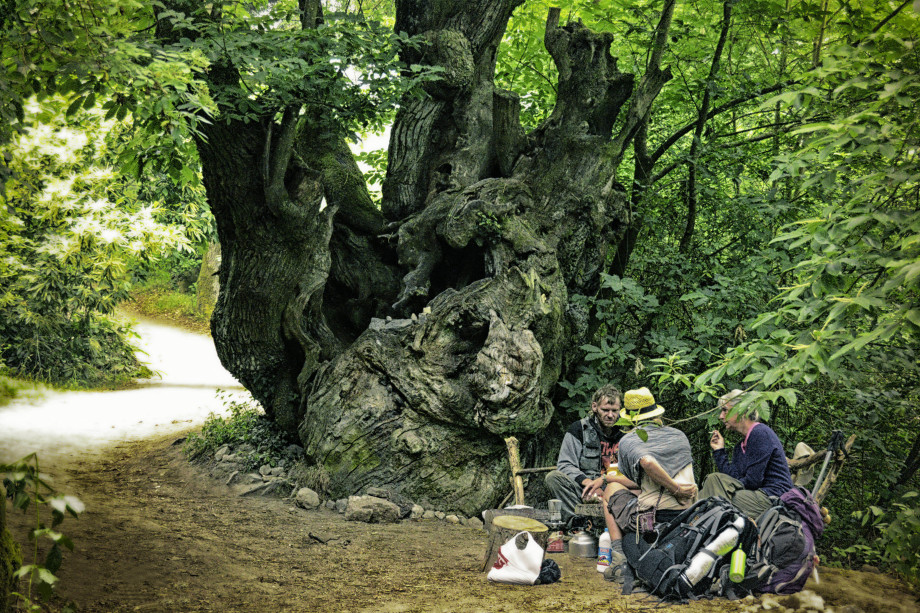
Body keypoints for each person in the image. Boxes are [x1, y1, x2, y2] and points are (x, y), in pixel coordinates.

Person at [601, 387, 698, 582]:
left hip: (654, 516)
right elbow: (645, 478)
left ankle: (618, 558)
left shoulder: (630, 439)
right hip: (687, 513)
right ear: (657, 415)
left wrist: (675, 489)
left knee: (610, 491)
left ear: (630, 418)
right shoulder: (679, 435)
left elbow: (647, 462)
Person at [698, 389, 794, 519]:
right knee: (713, 483)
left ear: (741, 410)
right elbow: (733, 478)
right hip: (754, 495)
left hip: (774, 498)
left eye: (725, 410)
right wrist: (719, 451)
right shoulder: (740, 446)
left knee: (712, 495)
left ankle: (698, 531)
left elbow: (752, 481)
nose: (721, 416)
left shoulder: (760, 433)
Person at [544, 384, 625, 521]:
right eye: (605, 410)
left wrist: (606, 485)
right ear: (594, 407)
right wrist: (590, 484)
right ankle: (577, 522)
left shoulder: (627, 433)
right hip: (584, 488)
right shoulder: (578, 429)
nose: (610, 415)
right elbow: (565, 465)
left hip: (616, 488)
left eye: (614, 411)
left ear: (620, 410)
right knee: (553, 478)